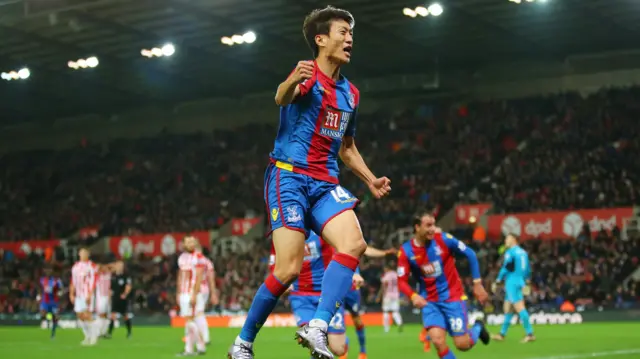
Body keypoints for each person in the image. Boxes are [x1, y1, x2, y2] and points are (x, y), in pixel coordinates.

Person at [229, 5, 391, 359]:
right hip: (288, 176)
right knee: (288, 268)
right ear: (321, 40)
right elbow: (281, 98)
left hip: (324, 182)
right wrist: (290, 82)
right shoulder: (306, 75)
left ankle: (318, 325)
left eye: (351, 34)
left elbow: (346, 147)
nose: (350, 39)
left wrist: (370, 179)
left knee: (354, 243)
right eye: (342, 33)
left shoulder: (351, 94)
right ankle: (242, 343)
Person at [397, 213, 491, 359]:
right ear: (417, 227)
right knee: (438, 341)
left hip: (452, 297)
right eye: (428, 225)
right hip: (429, 302)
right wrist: (413, 296)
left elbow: (471, 254)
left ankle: (478, 327)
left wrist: (477, 284)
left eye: (433, 225)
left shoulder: (444, 239)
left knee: (462, 344)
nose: (432, 229)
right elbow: (401, 281)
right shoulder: (406, 251)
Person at [345, 246, 395, 359]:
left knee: (357, 320)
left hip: (351, 289)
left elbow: (365, 249)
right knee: (336, 322)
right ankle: (343, 350)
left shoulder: (349, 237)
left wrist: (385, 252)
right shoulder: (326, 238)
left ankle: (363, 350)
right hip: (335, 288)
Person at [491, 234, 535, 343]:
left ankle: (530, 334)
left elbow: (506, 267)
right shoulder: (523, 253)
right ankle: (502, 334)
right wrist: (526, 281)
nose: (505, 240)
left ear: (514, 240)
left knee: (519, 307)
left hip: (512, 281)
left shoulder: (510, 252)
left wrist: (498, 280)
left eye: (507, 238)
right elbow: (528, 269)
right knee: (508, 308)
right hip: (520, 280)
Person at [177, 236, 207, 356]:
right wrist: (178, 292)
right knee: (188, 321)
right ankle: (189, 349)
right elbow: (180, 275)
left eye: (192, 242)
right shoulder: (182, 258)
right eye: (188, 242)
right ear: (183, 244)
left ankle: (200, 345)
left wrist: (194, 294)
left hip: (191, 292)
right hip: (184, 293)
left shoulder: (198, 257)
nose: (190, 244)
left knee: (190, 320)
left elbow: (199, 277)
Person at [70, 248, 99, 346]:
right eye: (81, 252)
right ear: (79, 254)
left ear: (88, 254)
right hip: (78, 295)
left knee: (88, 315)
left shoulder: (92, 266)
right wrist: (71, 294)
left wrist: (91, 294)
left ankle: (94, 337)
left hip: (87, 294)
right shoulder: (75, 267)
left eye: (85, 253)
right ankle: (87, 336)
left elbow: (95, 280)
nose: (83, 254)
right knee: (80, 316)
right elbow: (73, 281)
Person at [107, 261, 133, 339]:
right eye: (118, 265)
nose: (119, 267)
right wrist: (109, 298)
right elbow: (110, 288)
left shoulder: (126, 276)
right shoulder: (113, 276)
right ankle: (109, 333)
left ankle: (129, 333)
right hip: (115, 298)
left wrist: (125, 294)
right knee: (113, 316)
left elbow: (128, 286)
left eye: (121, 265)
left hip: (123, 299)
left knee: (125, 316)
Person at [378, 264, 403, 333]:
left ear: (387, 268)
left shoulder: (387, 275)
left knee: (386, 311)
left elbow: (384, 285)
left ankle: (386, 328)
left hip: (388, 295)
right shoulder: (396, 274)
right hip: (396, 295)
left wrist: (380, 296)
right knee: (395, 311)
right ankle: (399, 323)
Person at [39, 267, 63, 338]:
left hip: (54, 301)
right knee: (43, 314)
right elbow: (40, 288)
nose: (48, 271)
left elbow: (61, 289)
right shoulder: (42, 280)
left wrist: (60, 293)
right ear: (44, 271)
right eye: (47, 270)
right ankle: (47, 320)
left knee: (55, 317)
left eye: (49, 270)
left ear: (52, 271)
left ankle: (53, 333)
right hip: (45, 301)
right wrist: (39, 295)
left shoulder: (57, 281)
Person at [95, 264, 112, 337]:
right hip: (100, 297)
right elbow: (95, 269)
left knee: (107, 315)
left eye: (106, 268)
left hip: (108, 297)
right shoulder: (97, 276)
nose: (104, 269)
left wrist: (107, 267)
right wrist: (100, 267)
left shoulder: (109, 275)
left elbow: (115, 266)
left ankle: (104, 332)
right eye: (103, 268)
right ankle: (98, 332)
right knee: (100, 314)